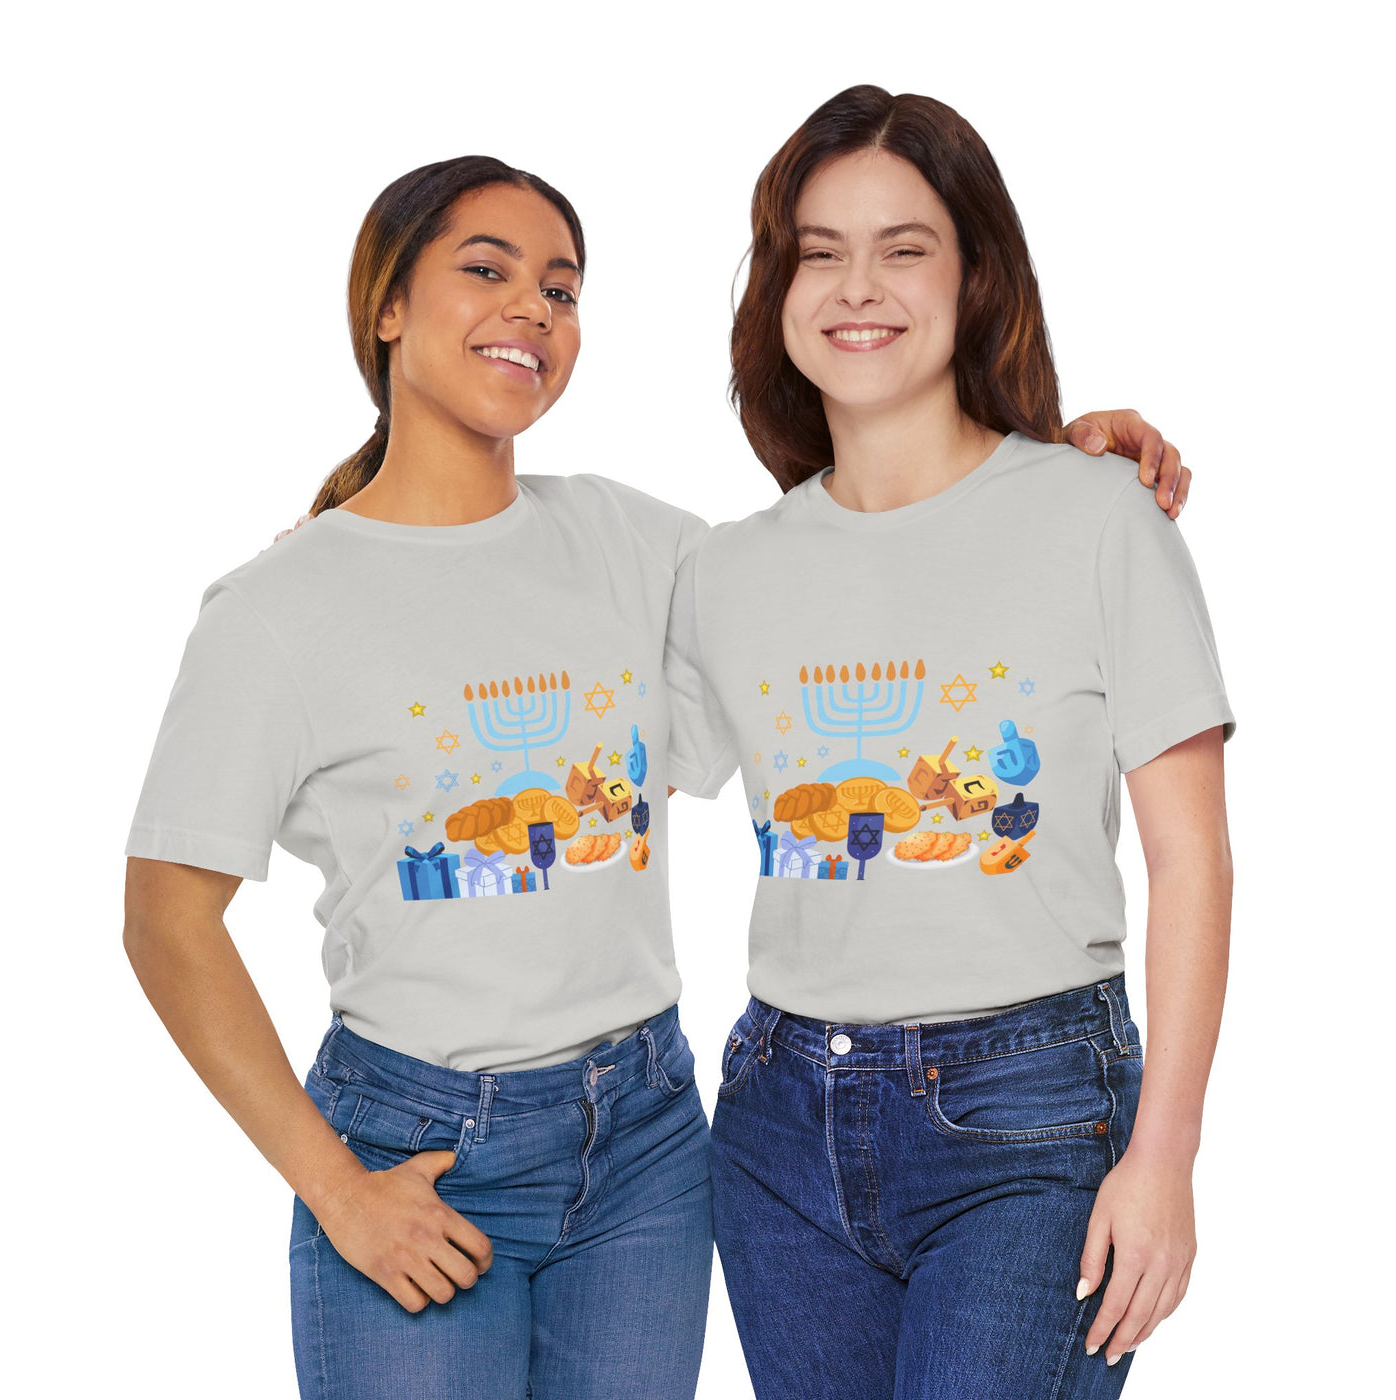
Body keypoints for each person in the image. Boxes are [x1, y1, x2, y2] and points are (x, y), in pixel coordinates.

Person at [124, 153, 1188, 1398]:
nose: (531, 307)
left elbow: (865, 556)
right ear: (387, 305)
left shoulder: (642, 548)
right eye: (486, 269)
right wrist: (335, 1188)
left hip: (642, 1147)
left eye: (561, 289)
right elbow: (165, 917)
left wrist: (1050, 470)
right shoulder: (276, 610)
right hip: (413, 1145)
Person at [664, 86, 1233, 1400]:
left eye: (905, 246)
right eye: (819, 249)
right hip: (776, 1132)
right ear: (776, 286)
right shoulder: (724, 572)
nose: (859, 285)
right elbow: (587, 785)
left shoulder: (1102, 516)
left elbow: (1192, 861)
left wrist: (1164, 1160)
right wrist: (365, 559)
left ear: (976, 275)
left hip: (1030, 1119)